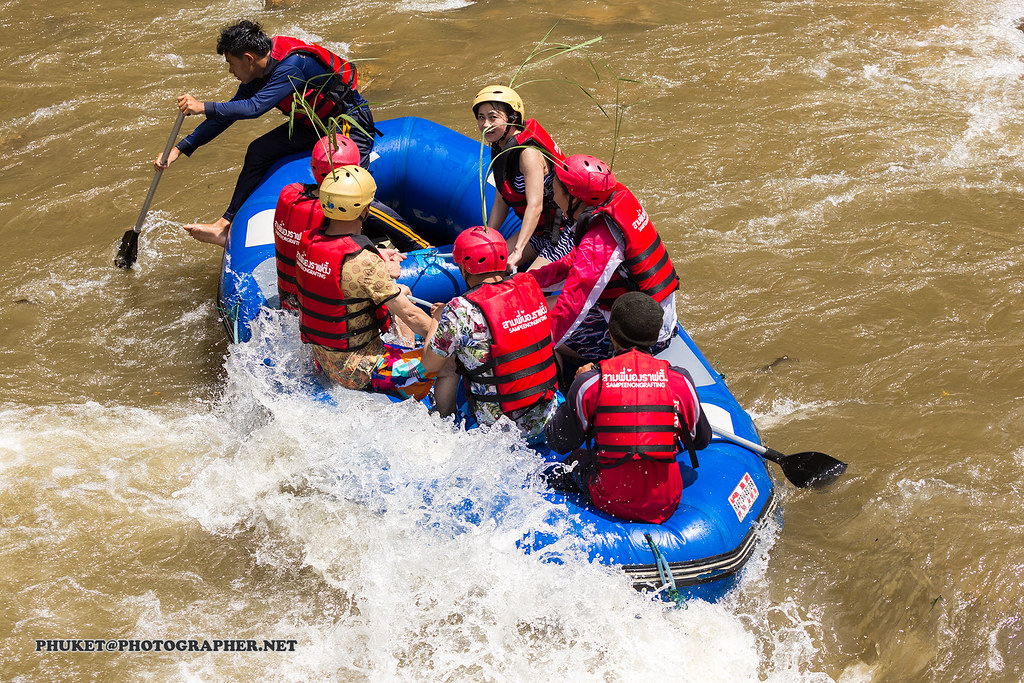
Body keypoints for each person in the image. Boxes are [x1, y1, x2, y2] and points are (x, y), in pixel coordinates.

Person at [156, 19, 376, 248]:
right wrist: (180, 148)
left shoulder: (291, 67)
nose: (230, 71)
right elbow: (228, 114)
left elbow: (254, 107)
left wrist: (203, 106)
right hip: (313, 126)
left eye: (231, 63)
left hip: (346, 123)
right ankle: (224, 226)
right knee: (258, 150)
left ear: (249, 59)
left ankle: (398, 241)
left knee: (348, 190)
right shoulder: (258, 74)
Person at [544, 292, 711, 524]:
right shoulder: (680, 381)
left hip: (607, 498)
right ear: (655, 338)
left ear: (611, 333)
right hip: (666, 501)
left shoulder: (590, 383)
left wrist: (574, 387)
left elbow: (558, 441)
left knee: (574, 459)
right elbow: (701, 440)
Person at [295, 165, 435, 400]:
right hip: (359, 371)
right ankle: (443, 414)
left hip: (323, 359)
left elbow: (340, 267)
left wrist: (378, 257)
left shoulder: (308, 241)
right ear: (365, 210)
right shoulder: (365, 263)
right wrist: (450, 339)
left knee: (401, 290)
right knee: (445, 362)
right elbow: (411, 315)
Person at [529, 154, 680, 370]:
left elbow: (575, 302)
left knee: (536, 326)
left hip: (641, 334)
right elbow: (575, 261)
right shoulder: (611, 206)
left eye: (555, 192)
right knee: (535, 304)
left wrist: (537, 344)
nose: (553, 198)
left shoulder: (600, 239)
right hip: (637, 311)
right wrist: (525, 282)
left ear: (574, 197)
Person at [421, 226, 559, 444]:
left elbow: (429, 364)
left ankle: (441, 427)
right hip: (548, 414)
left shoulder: (459, 309)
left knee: (447, 364)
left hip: (502, 428)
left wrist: (438, 317)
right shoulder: (529, 286)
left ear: (464, 268)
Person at [472, 85, 573, 271]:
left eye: (493, 117)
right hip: (541, 232)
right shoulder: (500, 149)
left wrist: (518, 251)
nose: (485, 124)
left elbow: (535, 205)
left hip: (565, 232)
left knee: (526, 285)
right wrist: (488, 236)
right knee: (490, 266)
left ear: (513, 118)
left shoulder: (528, 153)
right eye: (481, 117)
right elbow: (501, 200)